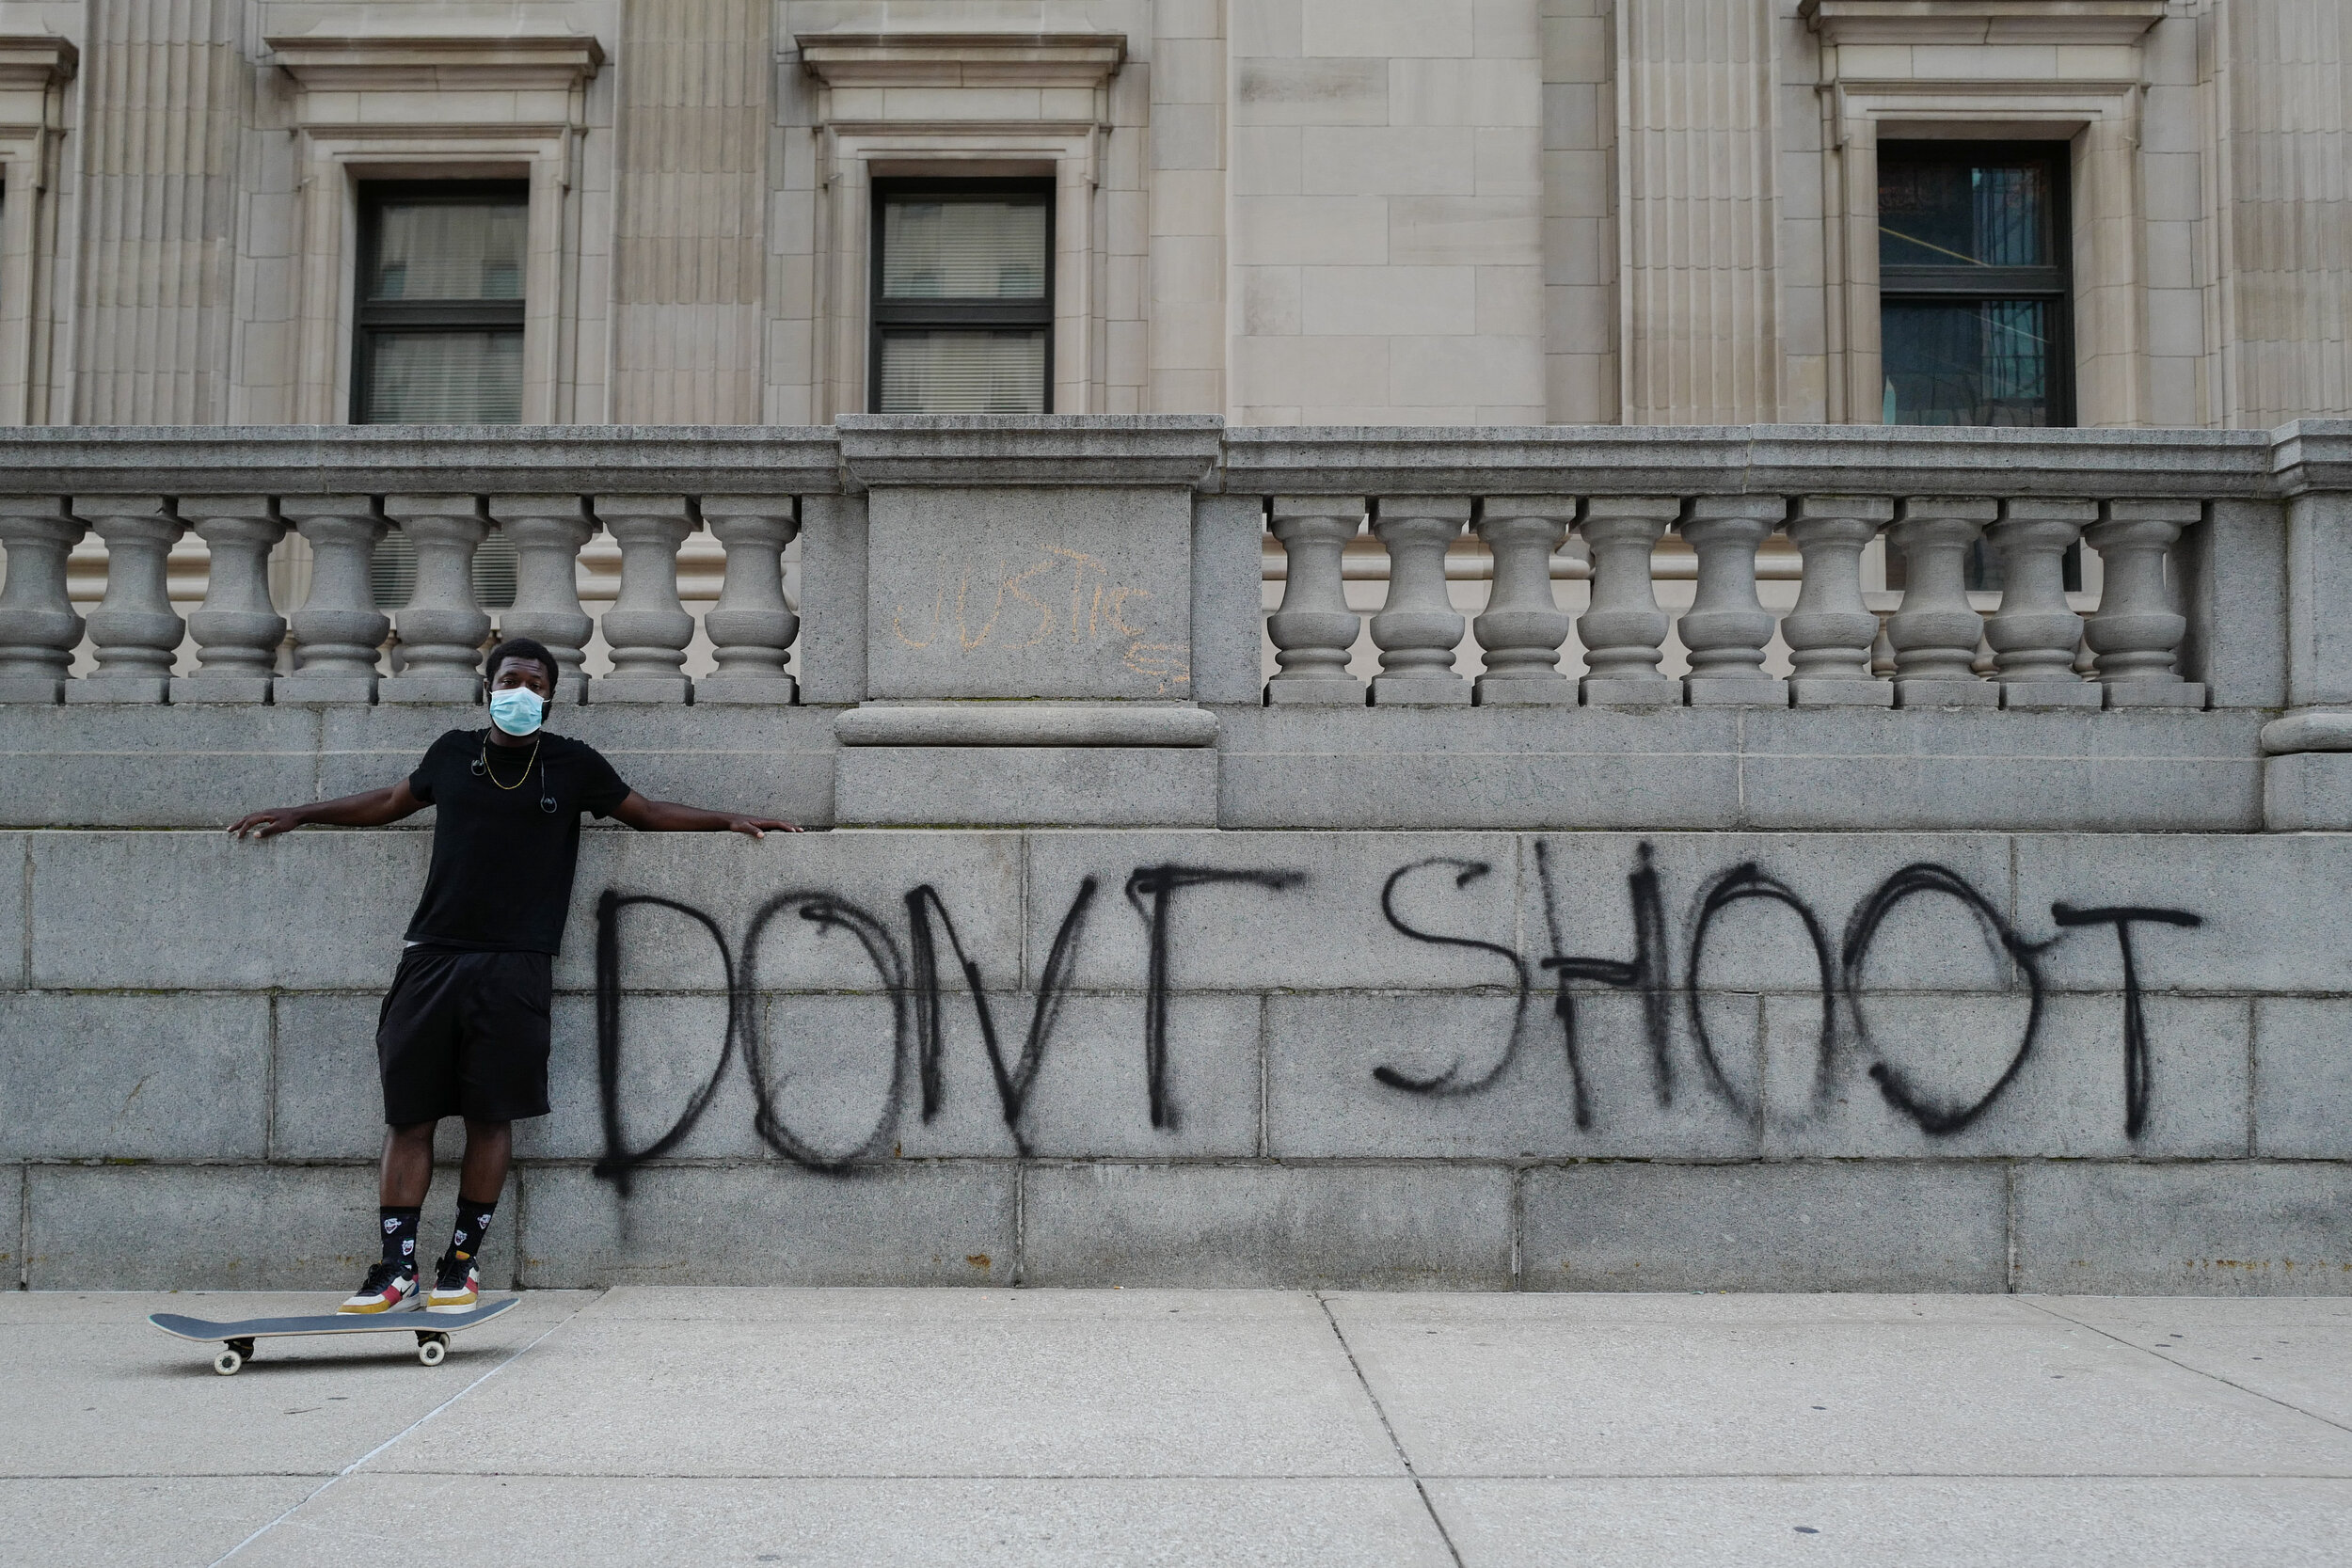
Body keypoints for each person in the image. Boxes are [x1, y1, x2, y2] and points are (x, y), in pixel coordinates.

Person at [229, 638, 798, 1314]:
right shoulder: (451, 754)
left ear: (550, 695)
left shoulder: (572, 764)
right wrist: (303, 812)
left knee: (489, 1117)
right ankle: (395, 1268)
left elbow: (644, 812)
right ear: (487, 686)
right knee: (409, 1117)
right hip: (432, 957)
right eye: (509, 679)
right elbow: (389, 800)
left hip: (515, 965)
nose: (520, 691)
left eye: (534, 683)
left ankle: (460, 1264)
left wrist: (727, 818)